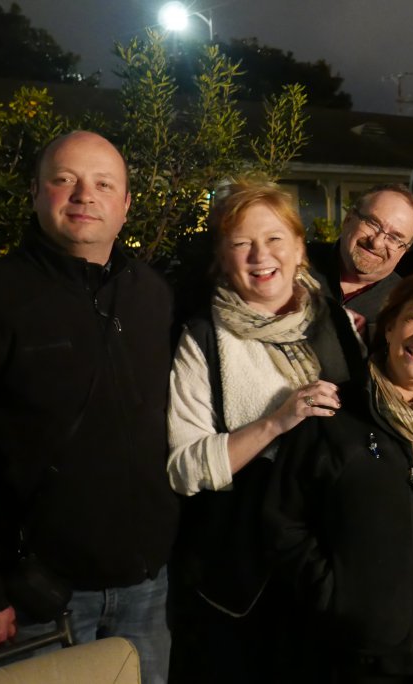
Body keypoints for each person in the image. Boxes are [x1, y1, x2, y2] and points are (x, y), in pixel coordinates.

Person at [0, 131, 178, 682]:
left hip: (144, 589)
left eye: (104, 183)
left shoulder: (151, 294)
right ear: (36, 192)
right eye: (65, 180)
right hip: (35, 597)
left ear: (126, 205)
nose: (85, 195)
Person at [266, 271, 413, 684]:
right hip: (358, 654)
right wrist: (333, 597)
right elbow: (284, 521)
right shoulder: (333, 412)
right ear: (391, 326)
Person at [165, 179, 363, 682]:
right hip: (243, 579)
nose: (260, 255)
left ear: (300, 248)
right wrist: (275, 422)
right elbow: (184, 469)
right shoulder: (204, 337)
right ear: (222, 258)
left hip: (330, 566)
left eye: (274, 238)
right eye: (241, 243)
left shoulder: (335, 321)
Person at [306, 183, 413, 343]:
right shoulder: (296, 263)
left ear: (404, 251)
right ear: (349, 218)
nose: (377, 243)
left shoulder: (403, 304)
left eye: (395, 238)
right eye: (372, 224)